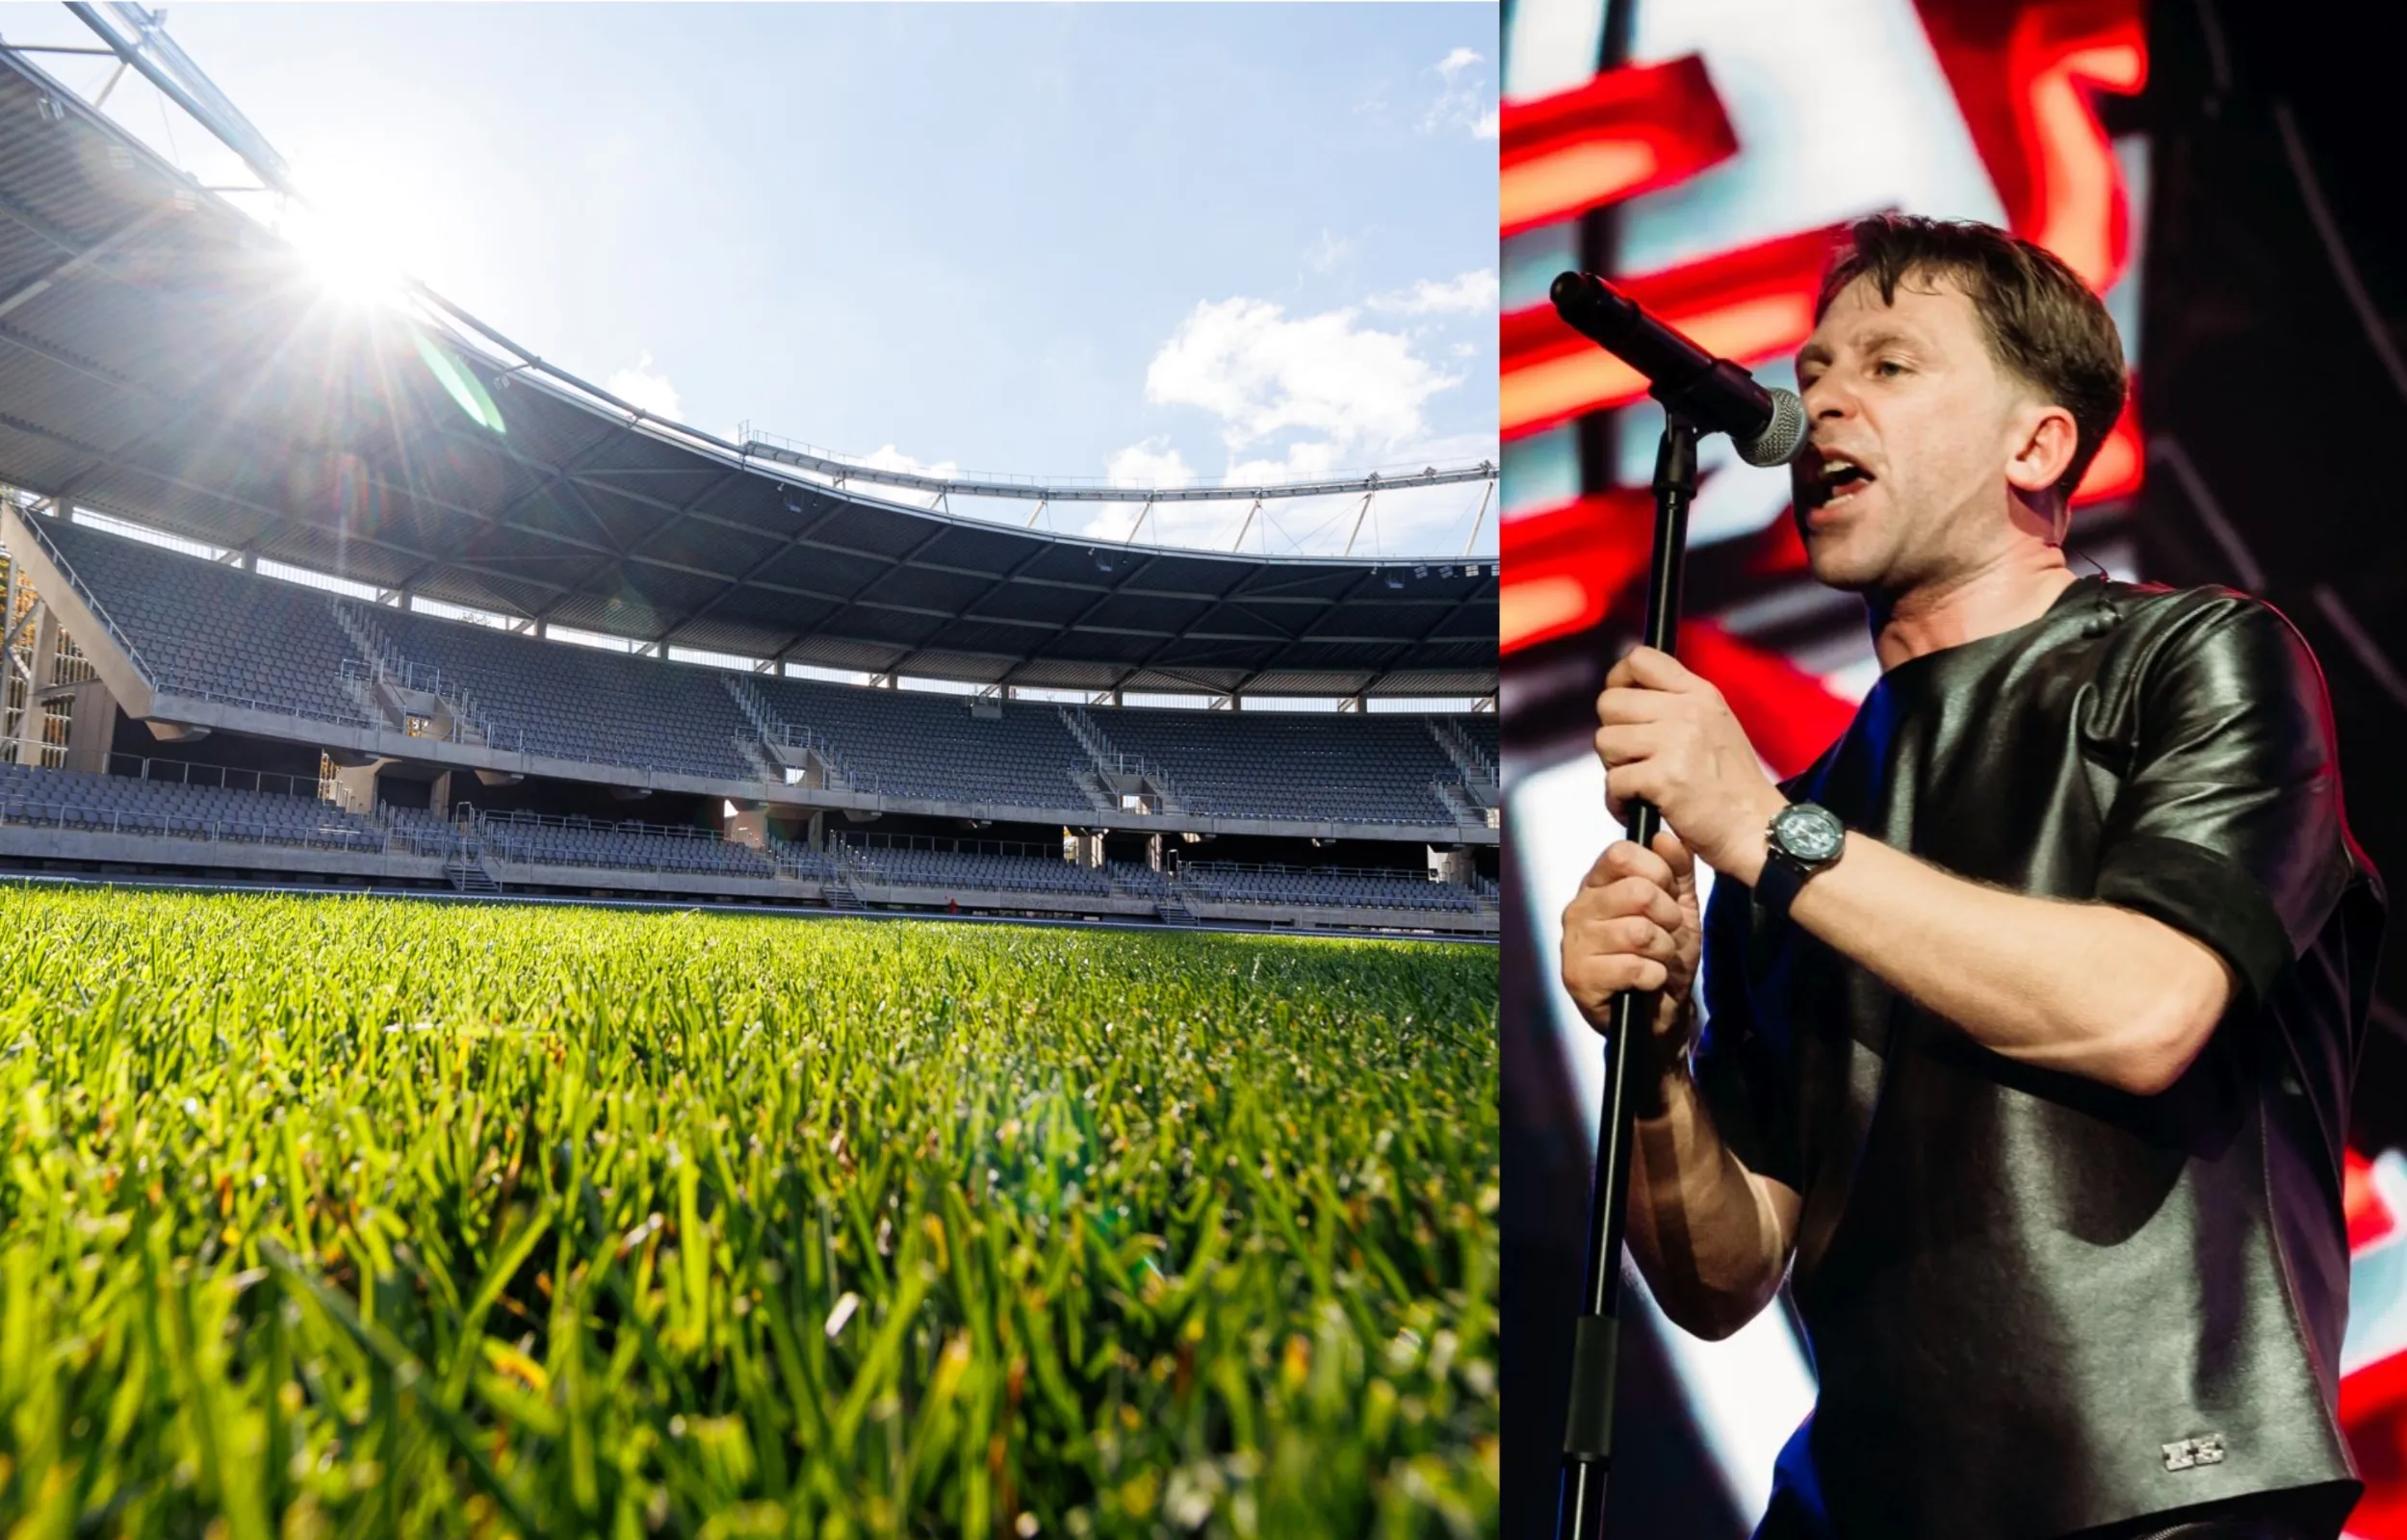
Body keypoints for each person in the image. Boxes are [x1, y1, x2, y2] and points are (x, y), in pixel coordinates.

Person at [1557, 215, 2386, 1540]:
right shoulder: (1798, 811)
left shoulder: (2197, 661)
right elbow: (1726, 1272)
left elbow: (2143, 1011)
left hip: (2161, 1492)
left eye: (1887, 366)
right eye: (1814, 368)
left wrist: (1770, 839)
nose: (1821, 398)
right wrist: (1652, 1067)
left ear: (2037, 445)